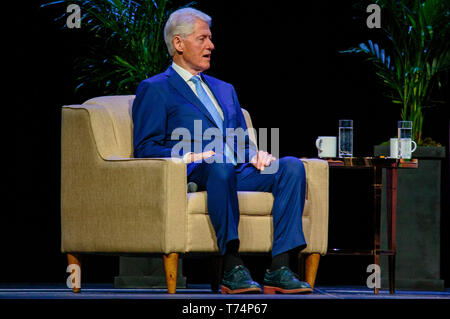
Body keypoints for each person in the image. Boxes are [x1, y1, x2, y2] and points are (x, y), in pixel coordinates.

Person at [132, 7, 312, 294]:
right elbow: (145, 148)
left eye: (211, 39)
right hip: (198, 172)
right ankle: (232, 266)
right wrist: (189, 156)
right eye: (202, 38)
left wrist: (254, 154)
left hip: (233, 169)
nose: (211, 46)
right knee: (219, 166)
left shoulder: (225, 89)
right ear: (179, 44)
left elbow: (240, 139)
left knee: (290, 167)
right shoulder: (155, 88)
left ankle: (279, 268)